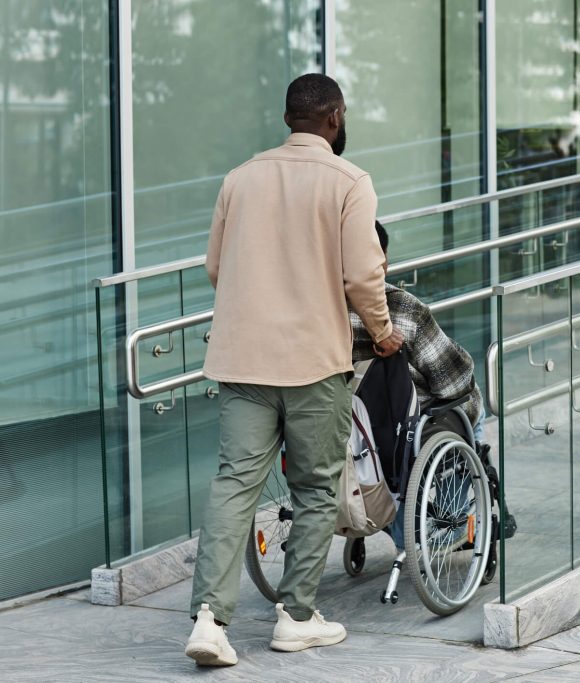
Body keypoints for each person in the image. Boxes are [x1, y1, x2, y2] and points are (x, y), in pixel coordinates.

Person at [185, 74, 403, 667]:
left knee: (235, 485)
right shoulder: (349, 181)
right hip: (312, 361)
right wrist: (382, 335)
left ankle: (209, 619)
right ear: (333, 118)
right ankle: (296, 617)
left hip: (243, 358)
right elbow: (363, 276)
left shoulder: (240, 179)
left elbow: (214, 266)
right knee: (313, 488)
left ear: (289, 119)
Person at [350, 221, 484, 439]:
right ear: (382, 259)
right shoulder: (403, 309)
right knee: (474, 401)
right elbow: (453, 383)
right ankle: (477, 470)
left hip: (346, 427)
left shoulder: (321, 311)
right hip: (405, 431)